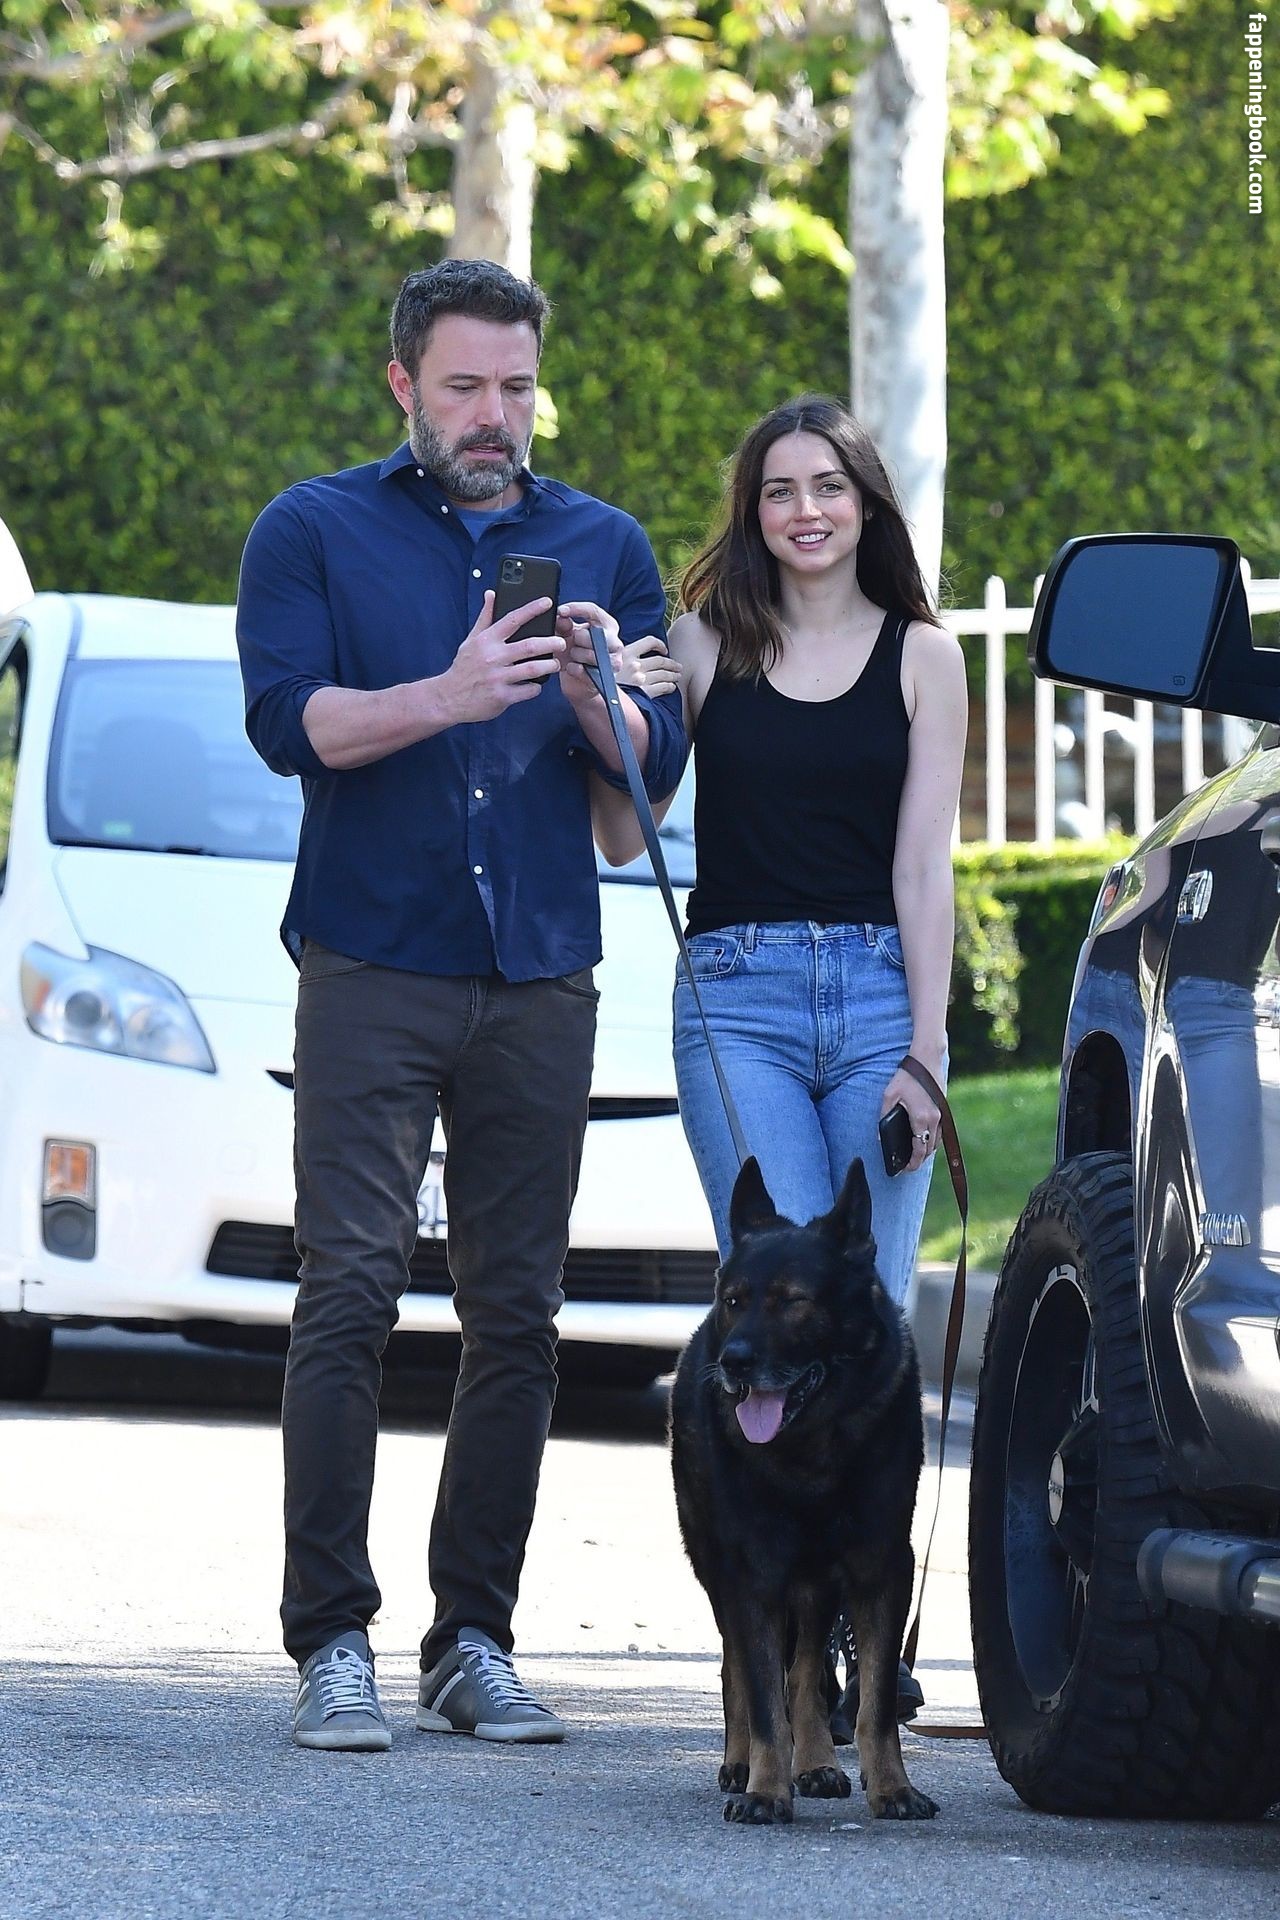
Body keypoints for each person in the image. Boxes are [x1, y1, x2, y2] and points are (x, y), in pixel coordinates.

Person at [235, 259, 685, 1753]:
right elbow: (290, 725)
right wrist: (451, 691)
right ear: (404, 386)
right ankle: (331, 1641)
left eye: (517, 387)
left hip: (542, 972)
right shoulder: (313, 529)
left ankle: (473, 1637)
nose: (495, 415)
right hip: (372, 960)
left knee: (519, 1313)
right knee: (350, 1290)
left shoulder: (604, 543)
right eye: (466, 387)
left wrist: (603, 707)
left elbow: (640, 794)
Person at [601, 394, 967, 1713]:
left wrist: (926, 1053)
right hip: (737, 996)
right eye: (777, 491)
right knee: (778, 1296)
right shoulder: (706, 641)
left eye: (827, 487)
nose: (803, 511)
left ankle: (855, 1638)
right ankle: (778, 1654)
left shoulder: (926, 658)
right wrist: (616, 708)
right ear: (752, 513)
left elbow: (924, 869)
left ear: (866, 503)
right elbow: (619, 835)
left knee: (862, 1305)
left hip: (876, 998)